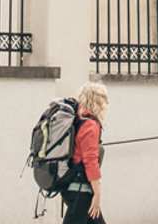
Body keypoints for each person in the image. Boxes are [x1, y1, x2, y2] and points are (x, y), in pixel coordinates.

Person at [63, 82, 108, 224]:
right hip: (81, 191)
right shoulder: (90, 125)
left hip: (74, 188)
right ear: (97, 101)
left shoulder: (78, 121)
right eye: (103, 100)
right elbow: (90, 161)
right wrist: (97, 193)